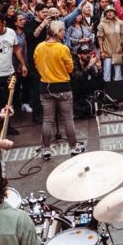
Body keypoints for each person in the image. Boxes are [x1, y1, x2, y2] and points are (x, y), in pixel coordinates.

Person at [34, 20, 85, 160]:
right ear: (57, 32)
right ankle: (74, 147)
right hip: (63, 86)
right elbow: (70, 69)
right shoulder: (63, 48)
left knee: (47, 120)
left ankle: (46, 149)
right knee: (68, 119)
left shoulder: (39, 47)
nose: (63, 33)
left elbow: (37, 66)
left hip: (45, 87)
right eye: (62, 31)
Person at [97, 5, 123, 82]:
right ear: (105, 14)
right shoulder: (102, 24)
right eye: (107, 12)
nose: (109, 13)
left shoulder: (120, 23)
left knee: (118, 73)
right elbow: (100, 38)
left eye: (111, 11)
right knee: (107, 72)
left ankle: (117, 92)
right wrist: (101, 51)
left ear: (114, 13)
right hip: (107, 51)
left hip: (117, 51)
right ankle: (106, 91)